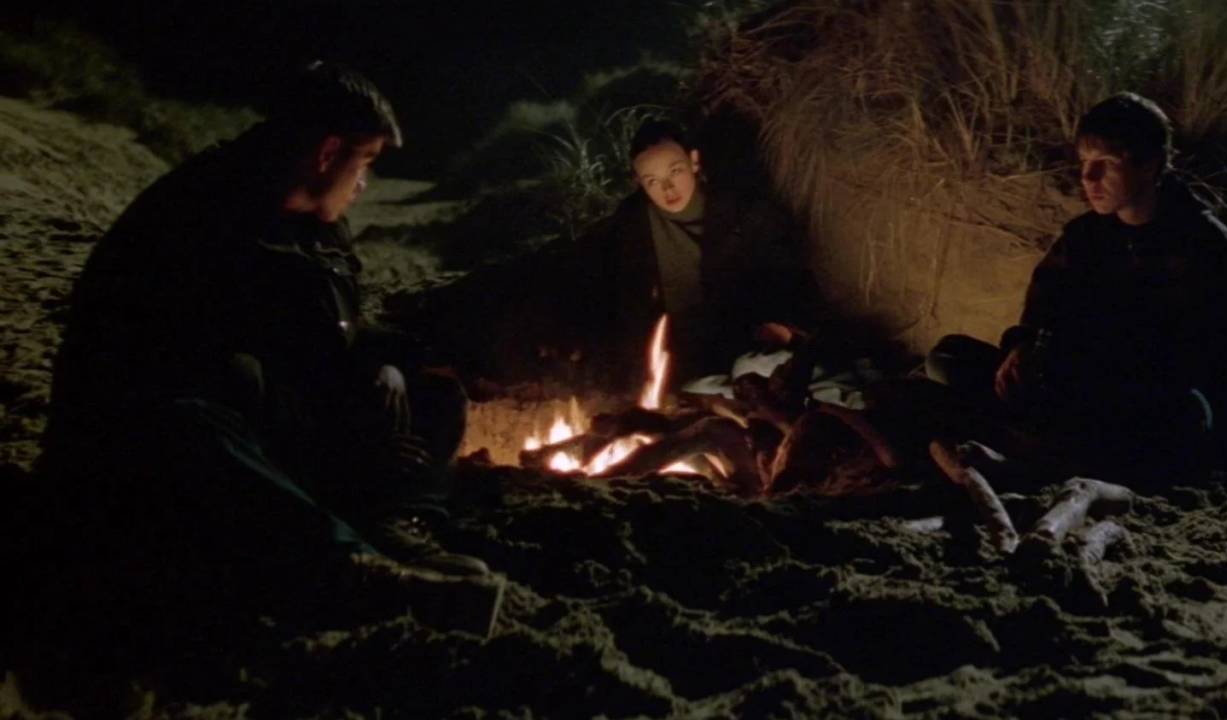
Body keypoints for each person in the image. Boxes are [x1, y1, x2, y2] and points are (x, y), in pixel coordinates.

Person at [29, 62, 500, 663]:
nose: (364, 183)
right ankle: (348, 569)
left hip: (278, 411)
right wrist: (346, 418)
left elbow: (335, 336)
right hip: (161, 429)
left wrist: (386, 365)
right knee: (190, 432)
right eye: (366, 161)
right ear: (328, 152)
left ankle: (392, 522)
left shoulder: (318, 227)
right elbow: (208, 364)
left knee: (432, 389)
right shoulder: (198, 217)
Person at [923, 92, 1227, 478]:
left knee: (1187, 415)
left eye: (1106, 164)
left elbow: (1201, 355)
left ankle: (1038, 451)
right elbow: (1044, 306)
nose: (1089, 178)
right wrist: (1024, 347)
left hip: (1138, 397)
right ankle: (1044, 445)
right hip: (1069, 385)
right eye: (1085, 163)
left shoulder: (1203, 242)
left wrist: (1095, 361)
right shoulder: (1085, 235)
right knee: (948, 356)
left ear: (1150, 164)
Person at [573, 119, 817, 387]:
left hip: (745, 340)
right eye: (653, 181)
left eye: (675, 171)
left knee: (767, 372)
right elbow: (592, 278)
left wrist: (781, 323)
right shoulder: (630, 225)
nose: (668, 189)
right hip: (677, 356)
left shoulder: (743, 212)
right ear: (640, 183)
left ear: (694, 161)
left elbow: (784, 272)